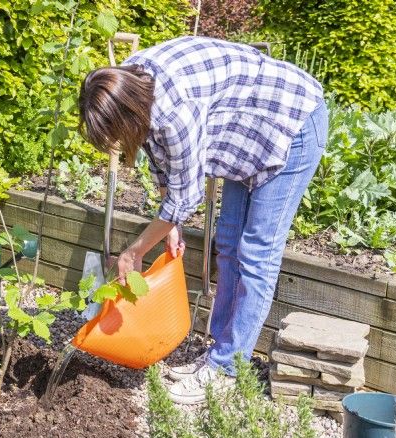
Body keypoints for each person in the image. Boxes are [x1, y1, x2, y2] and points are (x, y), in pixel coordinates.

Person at [77, 36, 328, 405]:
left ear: (129, 112)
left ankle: (228, 367)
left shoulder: (174, 109)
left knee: (256, 252)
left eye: (116, 133)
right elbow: (165, 161)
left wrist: (135, 250)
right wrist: (171, 224)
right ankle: (219, 352)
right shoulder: (132, 82)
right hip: (248, 137)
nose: (116, 141)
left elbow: (187, 195)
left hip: (292, 125)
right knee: (228, 243)